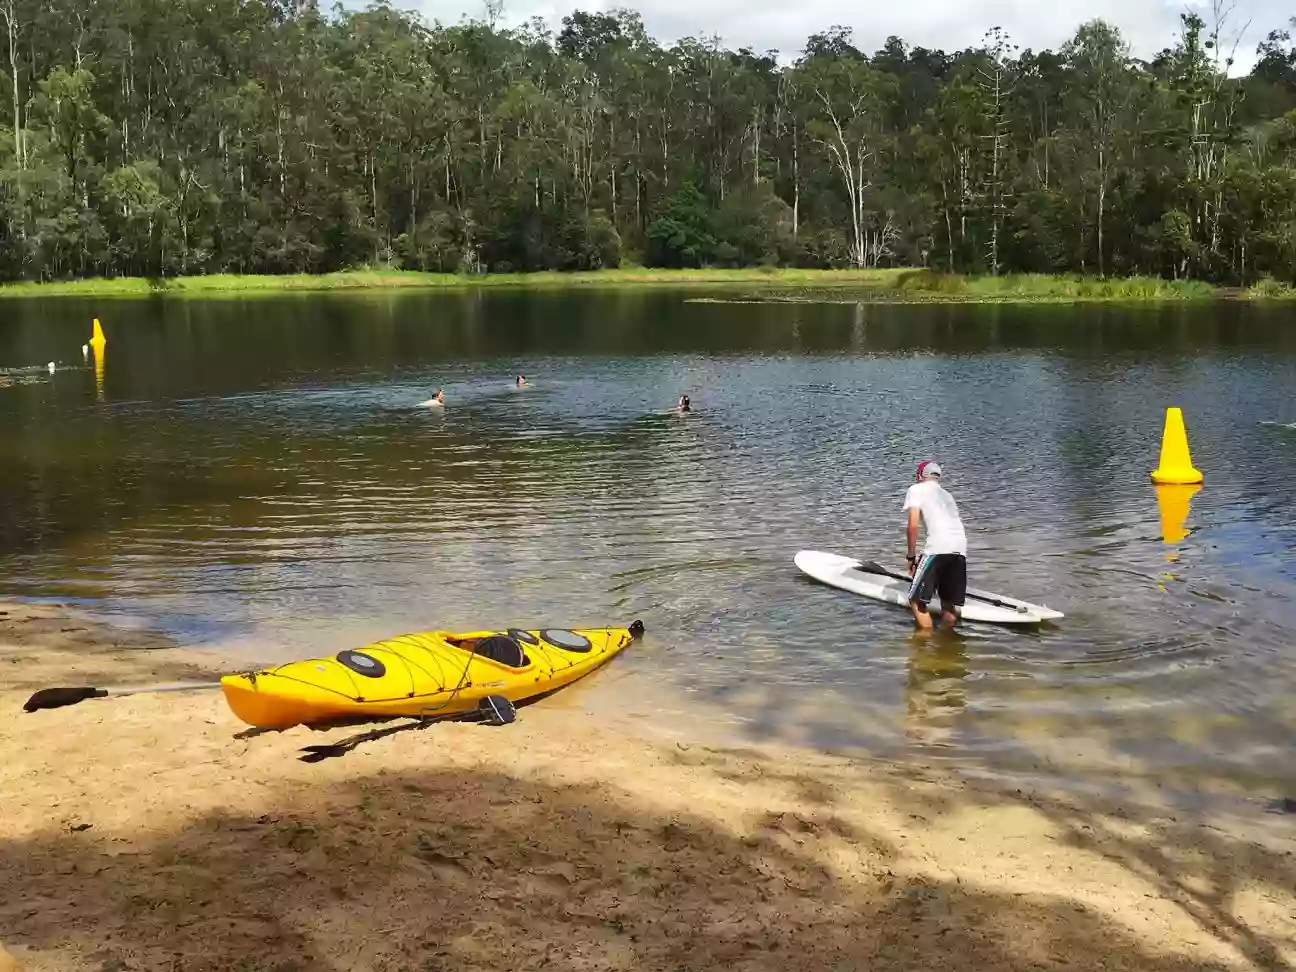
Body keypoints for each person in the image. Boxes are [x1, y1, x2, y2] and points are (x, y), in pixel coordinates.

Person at [903, 460, 967, 631]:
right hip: (960, 548)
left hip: (937, 548)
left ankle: (924, 644)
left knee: (916, 601)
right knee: (948, 603)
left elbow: (912, 526)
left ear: (919, 475)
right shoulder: (946, 495)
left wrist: (911, 556)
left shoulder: (915, 490)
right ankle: (946, 644)